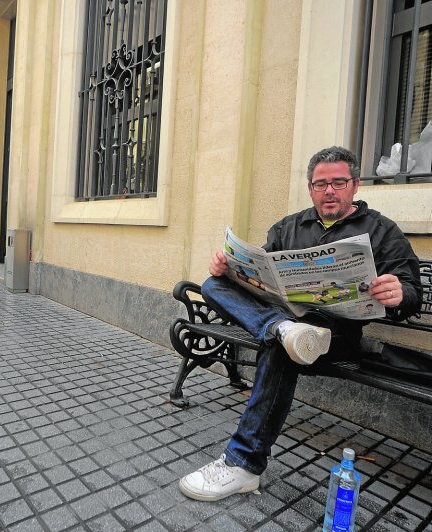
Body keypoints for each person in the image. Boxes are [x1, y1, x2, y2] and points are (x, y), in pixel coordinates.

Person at [178, 146, 423, 502]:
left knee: (281, 347)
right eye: (321, 183)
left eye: (338, 182)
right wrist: (229, 269)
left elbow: (411, 289)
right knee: (215, 285)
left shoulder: (382, 231)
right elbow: (256, 278)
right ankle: (281, 328)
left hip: (334, 336)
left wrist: (400, 293)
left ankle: (243, 465)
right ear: (310, 188)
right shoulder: (288, 227)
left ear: (355, 185)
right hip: (286, 319)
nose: (329, 191)